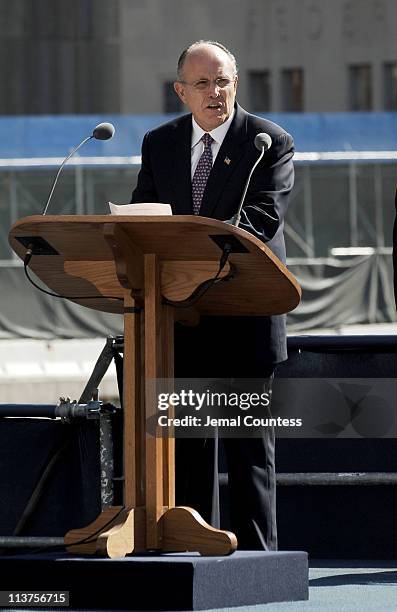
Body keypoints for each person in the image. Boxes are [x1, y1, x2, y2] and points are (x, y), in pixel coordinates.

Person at [131, 40, 294, 550]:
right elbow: (144, 216)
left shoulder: (267, 141)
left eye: (222, 81)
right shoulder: (160, 143)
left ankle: (258, 563)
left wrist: (194, 254)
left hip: (247, 311)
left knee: (249, 455)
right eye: (202, 83)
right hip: (184, 318)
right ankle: (194, 555)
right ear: (181, 92)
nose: (214, 92)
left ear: (236, 83)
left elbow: (261, 222)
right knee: (191, 453)